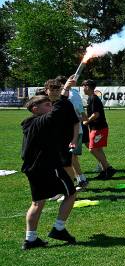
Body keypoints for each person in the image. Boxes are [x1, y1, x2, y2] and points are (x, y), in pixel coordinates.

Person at [20, 77, 80, 250]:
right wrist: (64, 91)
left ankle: (30, 239)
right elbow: (57, 112)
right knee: (71, 193)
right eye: (46, 105)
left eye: (50, 104)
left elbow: (60, 114)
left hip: (33, 168)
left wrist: (64, 95)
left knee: (38, 202)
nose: (50, 107)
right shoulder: (40, 121)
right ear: (35, 109)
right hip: (46, 167)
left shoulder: (31, 123)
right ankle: (59, 228)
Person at [43, 78, 80, 199]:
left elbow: (75, 122)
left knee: (66, 165)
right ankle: (59, 190)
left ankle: (70, 190)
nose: (54, 92)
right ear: (46, 90)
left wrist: (74, 139)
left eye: (57, 90)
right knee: (53, 166)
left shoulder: (66, 103)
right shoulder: (44, 104)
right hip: (49, 141)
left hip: (65, 141)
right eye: (52, 90)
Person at [56, 75, 88, 191]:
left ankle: (78, 181)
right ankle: (80, 180)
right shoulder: (71, 94)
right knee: (71, 158)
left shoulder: (71, 95)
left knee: (70, 158)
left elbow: (78, 112)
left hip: (72, 131)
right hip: (70, 131)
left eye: (57, 87)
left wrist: (84, 121)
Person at [81, 80, 116, 179]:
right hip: (98, 127)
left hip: (98, 128)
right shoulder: (91, 98)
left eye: (83, 86)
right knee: (98, 149)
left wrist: (86, 121)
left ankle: (109, 168)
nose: (82, 88)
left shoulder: (93, 98)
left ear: (87, 87)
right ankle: (105, 170)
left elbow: (96, 114)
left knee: (92, 149)